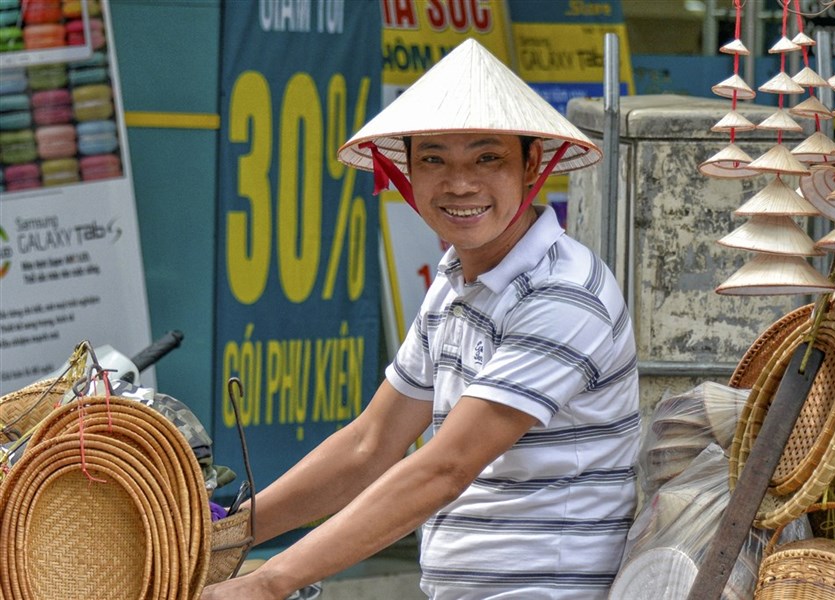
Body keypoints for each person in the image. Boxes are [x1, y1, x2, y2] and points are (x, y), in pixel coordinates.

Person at [202, 38, 640, 600]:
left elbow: (444, 467)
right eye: (433, 158)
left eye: (488, 158)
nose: (459, 184)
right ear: (405, 169)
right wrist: (219, 538)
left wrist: (269, 581)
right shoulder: (457, 282)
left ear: (532, 165)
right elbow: (370, 443)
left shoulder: (563, 293)